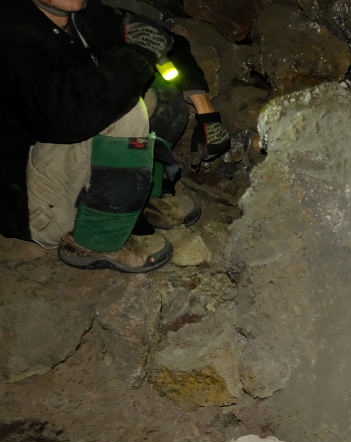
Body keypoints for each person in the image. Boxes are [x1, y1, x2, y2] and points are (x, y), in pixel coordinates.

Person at [0, 0, 230, 272]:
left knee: (160, 85)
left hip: (69, 166)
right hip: (36, 207)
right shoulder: (11, 33)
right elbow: (70, 118)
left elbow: (168, 42)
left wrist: (206, 114)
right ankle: (98, 239)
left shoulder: (86, 17)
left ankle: (141, 201)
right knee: (125, 104)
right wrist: (139, 55)